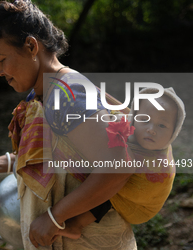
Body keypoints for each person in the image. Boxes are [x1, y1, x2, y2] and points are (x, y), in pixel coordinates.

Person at [0, 0, 137, 249]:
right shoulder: (44, 93)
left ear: (31, 46)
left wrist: (56, 217)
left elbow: (118, 166)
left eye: (2, 59)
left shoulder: (68, 95)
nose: (0, 71)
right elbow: (63, 155)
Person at [57, 87, 186, 239]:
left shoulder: (157, 162)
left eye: (162, 125)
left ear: (174, 132)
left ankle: (75, 225)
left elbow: (113, 158)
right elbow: (120, 117)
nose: (151, 129)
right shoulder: (135, 129)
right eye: (145, 120)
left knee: (105, 187)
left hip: (140, 207)